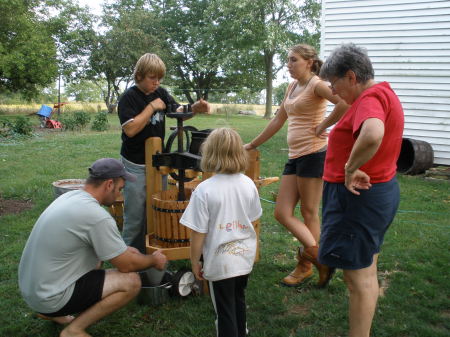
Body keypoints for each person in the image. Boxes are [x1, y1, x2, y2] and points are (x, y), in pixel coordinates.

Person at [18, 158, 168, 337]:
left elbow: (113, 252)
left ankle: (53, 313)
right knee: (131, 282)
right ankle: (74, 330)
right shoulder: (96, 216)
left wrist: (127, 253)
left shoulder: (70, 196)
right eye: (120, 189)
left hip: (33, 290)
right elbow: (126, 266)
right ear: (109, 184)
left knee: (99, 257)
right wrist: (153, 259)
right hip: (50, 297)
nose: (120, 196)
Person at [318, 43, 404, 337]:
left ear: (351, 76)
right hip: (376, 195)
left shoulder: (369, 99)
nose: (333, 92)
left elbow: (373, 133)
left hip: (357, 200)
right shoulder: (383, 93)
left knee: (359, 280)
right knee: (366, 271)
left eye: (335, 84)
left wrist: (350, 168)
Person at [244, 44, 348, 287]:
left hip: (314, 154)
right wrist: (252, 143)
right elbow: (279, 119)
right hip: (295, 156)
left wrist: (324, 126)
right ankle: (321, 259)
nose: (288, 64)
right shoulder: (292, 86)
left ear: (309, 62)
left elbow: (344, 103)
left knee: (309, 213)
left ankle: (306, 266)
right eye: (288, 60)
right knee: (282, 212)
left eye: (293, 60)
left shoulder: (316, 84)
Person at [118, 53, 210, 253]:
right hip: (135, 165)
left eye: (159, 78)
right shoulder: (129, 98)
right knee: (135, 216)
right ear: (140, 75)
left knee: (155, 210)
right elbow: (130, 130)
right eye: (152, 78)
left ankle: (153, 254)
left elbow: (177, 110)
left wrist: (195, 108)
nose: (157, 83)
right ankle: (128, 258)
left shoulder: (161, 92)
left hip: (158, 163)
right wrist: (152, 107)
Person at [180, 128, 262, 337]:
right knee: (238, 299)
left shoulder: (204, 190)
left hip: (219, 261)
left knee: (224, 311)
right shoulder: (248, 184)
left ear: (209, 153)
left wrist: (194, 261)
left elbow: (198, 232)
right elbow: (253, 220)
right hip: (244, 257)